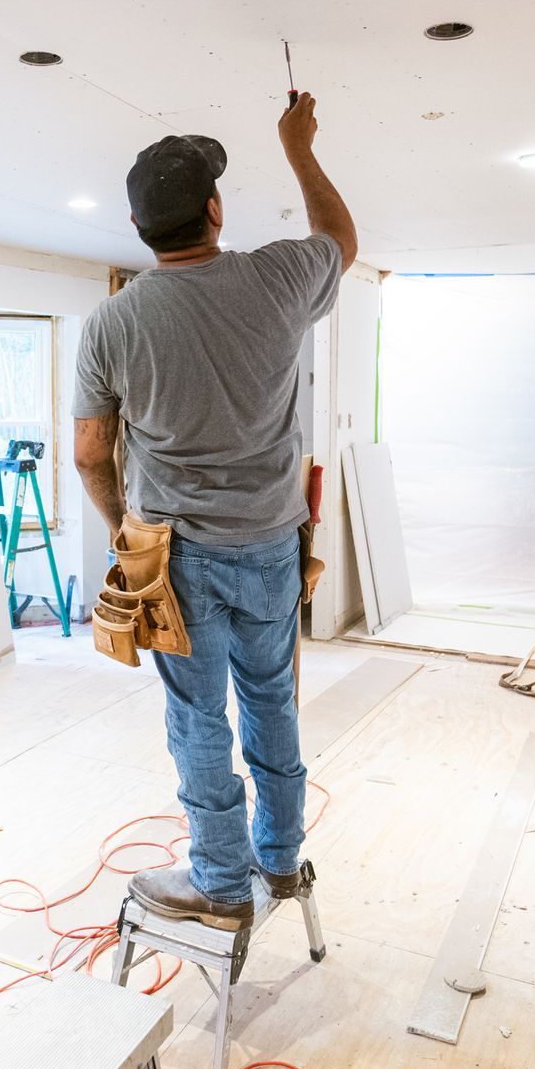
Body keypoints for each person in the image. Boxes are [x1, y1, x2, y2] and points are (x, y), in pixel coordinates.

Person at [71, 92, 356, 930]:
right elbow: (340, 241)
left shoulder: (112, 324)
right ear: (214, 210)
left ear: (134, 222)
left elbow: (91, 451)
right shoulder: (277, 277)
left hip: (177, 557)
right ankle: (277, 859)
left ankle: (221, 885)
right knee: (271, 701)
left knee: (198, 717)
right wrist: (299, 148)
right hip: (273, 546)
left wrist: (124, 527)